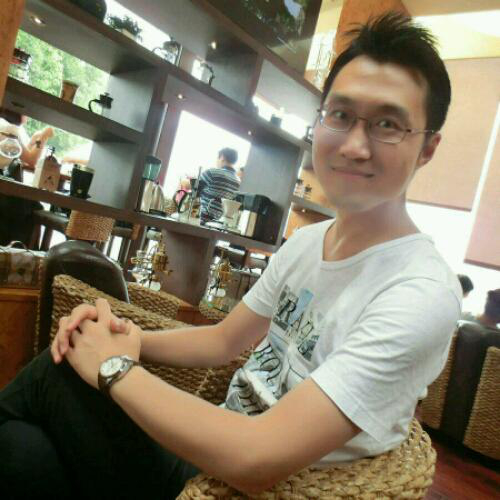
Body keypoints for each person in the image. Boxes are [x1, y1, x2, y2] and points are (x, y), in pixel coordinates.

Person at [0, 13, 462, 499]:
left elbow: (255, 459)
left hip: (236, 486)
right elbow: (223, 340)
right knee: (21, 451)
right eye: (341, 115)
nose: (354, 146)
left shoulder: (420, 292)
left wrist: (112, 367)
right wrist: (126, 337)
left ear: (427, 148)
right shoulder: (308, 243)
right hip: (205, 452)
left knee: (56, 375)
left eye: (388, 124)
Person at [198, 147, 240, 224]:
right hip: (221, 225)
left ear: (222, 157)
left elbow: (194, 188)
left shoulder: (212, 173)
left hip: (202, 221)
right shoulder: (238, 181)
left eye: (217, 158)